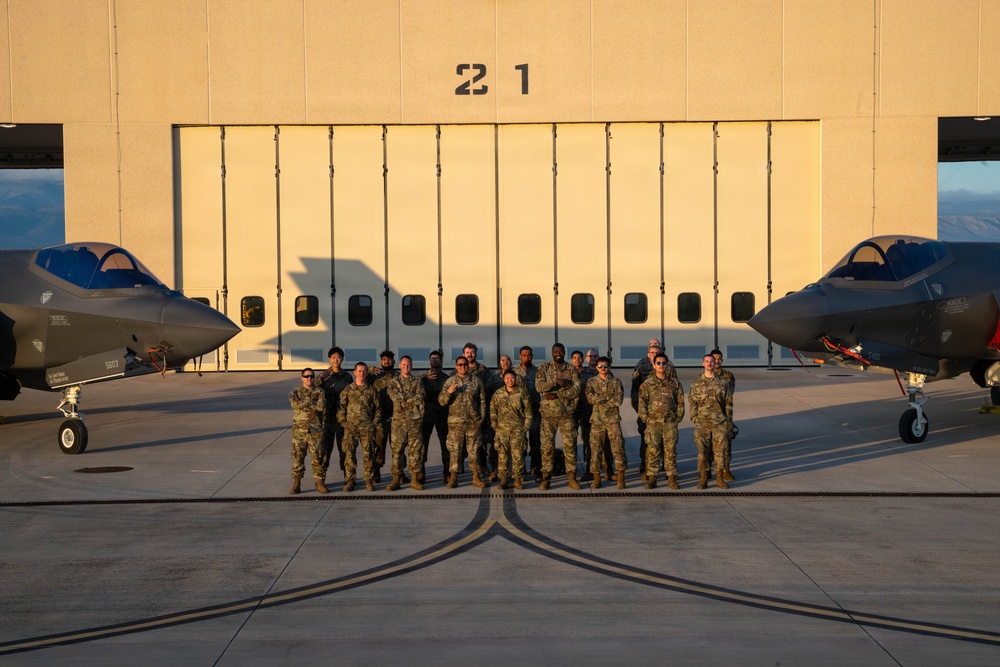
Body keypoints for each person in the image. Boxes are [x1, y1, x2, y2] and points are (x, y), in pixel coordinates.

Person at [535, 342, 581, 490]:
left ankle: (572, 477)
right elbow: (539, 387)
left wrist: (555, 394)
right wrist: (556, 382)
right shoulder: (544, 368)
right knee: (547, 447)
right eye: (556, 352)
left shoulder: (572, 369)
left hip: (567, 414)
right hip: (548, 416)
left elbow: (577, 390)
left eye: (561, 351)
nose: (558, 354)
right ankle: (546, 478)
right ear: (552, 353)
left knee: (570, 446)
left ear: (564, 352)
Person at [638, 353, 685, 489]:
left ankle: (672, 478)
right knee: (653, 451)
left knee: (670, 451)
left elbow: (680, 402)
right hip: (653, 423)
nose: (661, 365)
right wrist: (646, 419)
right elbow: (642, 403)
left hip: (670, 423)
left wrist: (678, 418)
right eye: (658, 363)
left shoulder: (674, 383)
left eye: (664, 363)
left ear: (667, 365)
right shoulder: (647, 384)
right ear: (654, 365)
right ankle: (652, 478)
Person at [439, 356, 488, 488]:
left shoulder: (476, 381)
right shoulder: (450, 381)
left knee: (474, 451)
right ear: (456, 366)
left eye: (465, 364)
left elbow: (482, 402)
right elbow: (442, 402)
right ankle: (453, 477)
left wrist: (481, 420)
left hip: (473, 423)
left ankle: (476, 477)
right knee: (455, 451)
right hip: (455, 423)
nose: (463, 367)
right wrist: (449, 392)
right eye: (460, 365)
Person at [688, 353, 734, 489]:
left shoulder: (723, 383)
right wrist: (695, 418)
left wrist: (727, 421)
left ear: (715, 364)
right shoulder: (696, 383)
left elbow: (728, 403)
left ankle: (720, 479)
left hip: (719, 424)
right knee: (702, 453)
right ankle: (703, 478)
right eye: (707, 361)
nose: (709, 363)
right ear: (703, 364)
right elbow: (692, 403)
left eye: (711, 361)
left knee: (719, 452)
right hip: (702, 424)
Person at [338, 362, 382, 492]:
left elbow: (378, 409)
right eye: (359, 371)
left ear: (367, 373)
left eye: (364, 371)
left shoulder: (371, 390)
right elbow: (341, 408)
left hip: (367, 428)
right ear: (355, 372)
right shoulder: (348, 390)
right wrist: (344, 423)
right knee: (349, 455)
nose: (362, 373)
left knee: (368, 454)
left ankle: (368, 480)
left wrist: (374, 423)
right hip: (351, 428)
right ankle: (350, 480)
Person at [585, 356, 627, 489]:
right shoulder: (591, 382)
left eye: (605, 366)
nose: (603, 369)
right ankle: (597, 478)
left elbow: (618, 400)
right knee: (596, 450)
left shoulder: (616, 382)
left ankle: (621, 477)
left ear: (609, 367)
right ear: (596, 368)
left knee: (618, 448)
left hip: (613, 420)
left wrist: (600, 398)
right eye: (600, 366)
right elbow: (591, 399)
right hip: (597, 421)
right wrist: (609, 397)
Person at [386, 355, 426, 490]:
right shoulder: (393, 382)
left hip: (414, 422)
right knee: (397, 452)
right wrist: (410, 396)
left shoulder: (417, 381)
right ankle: (396, 479)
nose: (406, 367)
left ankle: (415, 479)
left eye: (408, 365)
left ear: (412, 366)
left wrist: (402, 397)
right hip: (398, 422)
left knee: (415, 452)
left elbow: (420, 397)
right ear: (399, 366)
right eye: (403, 365)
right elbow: (393, 396)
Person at [489, 368, 532, 490]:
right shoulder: (498, 394)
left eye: (512, 378)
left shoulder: (521, 393)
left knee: (518, 455)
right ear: (504, 379)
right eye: (507, 378)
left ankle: (517, 479)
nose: (510, 380)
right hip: (502, 430)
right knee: (502, 455)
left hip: (518, 430)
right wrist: (494, 425)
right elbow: (493, 410)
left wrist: (526, 427)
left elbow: (528, 412)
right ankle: (503, 479)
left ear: (516, 379)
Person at [288, 367, 327, 495]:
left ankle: (320, 483)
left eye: (311, 376)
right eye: (306, 376)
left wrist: (303, 403)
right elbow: (294, 405)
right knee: (298, 458)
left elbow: (321, 407)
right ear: (302, 378)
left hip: (315, 431)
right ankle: (296, 484)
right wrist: (311, 401)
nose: (309, 378)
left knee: (318, 458)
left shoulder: (320, 391)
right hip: (299, 432)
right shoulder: (295, 391)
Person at [317, 346, 352, 478]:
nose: (336, 360)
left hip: (342, 420)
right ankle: (321, 480)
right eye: (333, 357)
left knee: (345, 450)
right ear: (329, 359)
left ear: (342, 359)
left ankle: (348, 478)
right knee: (325, 451)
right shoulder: (323, 377)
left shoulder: (347, 377)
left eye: (338, 357)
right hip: (328, 419)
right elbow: (314, 391)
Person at [459, 342, 492, 477]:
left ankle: (482, 465)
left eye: (472, 352)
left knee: (481, 442)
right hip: (461, 415)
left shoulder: (484, 371)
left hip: (478, 413)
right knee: (460, 442)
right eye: (467, 352)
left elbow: (489, 388)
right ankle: (459, 466)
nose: (470, 355)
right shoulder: (457, 371)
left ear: (476, 353)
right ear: (463, 354)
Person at [630, 339, 661, 477]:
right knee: (645, 437)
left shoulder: (667, 365)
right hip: (646, 411)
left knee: (665, 438)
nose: (655, 354)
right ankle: (645, 461)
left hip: (663, 411)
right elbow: (634, 389)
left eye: (657, 351)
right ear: (648, 353)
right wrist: (639, 409)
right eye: (652, 352)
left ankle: (666, 463)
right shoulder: (641, 366)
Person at [368, 350, 398, 483]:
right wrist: (369, 369)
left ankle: (399, 472)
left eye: (389, 359)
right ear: (381, 362)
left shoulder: (398, 376)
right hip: (380, 418)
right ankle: (376, 472)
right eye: (384, 359)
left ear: (394, 361)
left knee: (398, 448)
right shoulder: (375, 377)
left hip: (397, 418)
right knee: (379, 447)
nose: (387, 361)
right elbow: (359, 375)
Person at [485, 354, 517, 481]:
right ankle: (495, 470)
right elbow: (486, 394)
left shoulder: (517, 377)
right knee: (496, 445)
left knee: (516, 447)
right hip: (498, 418)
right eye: (502, 360)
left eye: (508, 360)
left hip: (515, 418)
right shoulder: (494, 378)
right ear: (499, 363)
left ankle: (516, 472)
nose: (505, 362)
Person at [421, 350, 450, 482]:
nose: (435, 361)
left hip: (442, 415)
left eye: (437, 358)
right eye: (432, 358)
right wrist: (425, 380)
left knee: (445, 445)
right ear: (429, 361)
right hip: (426, 415)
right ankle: (421, 472)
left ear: (441, 361)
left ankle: (447, 472)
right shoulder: (422, 378)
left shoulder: (446, 378)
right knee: (423, 445)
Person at [514, 345, 542, 479]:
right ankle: (521, 467)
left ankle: (535, 466)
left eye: (529, 355)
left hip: (535, 410)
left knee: (535, 440)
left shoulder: (538, 372)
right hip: (520, 414)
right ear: (520, 356)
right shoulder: (515, 373)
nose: (527, 357)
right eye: (524, 355)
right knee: (521, 441)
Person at [711, 348, 737, 482]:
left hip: (724, 415)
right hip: (708, 416)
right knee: (708, 445)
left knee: (726, 444)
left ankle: (726, 469)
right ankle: (706, 471)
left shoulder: (728, 376)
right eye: (714, 358)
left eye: (719, 358)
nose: (717, 361)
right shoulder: (703, 376)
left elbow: (728, 393)